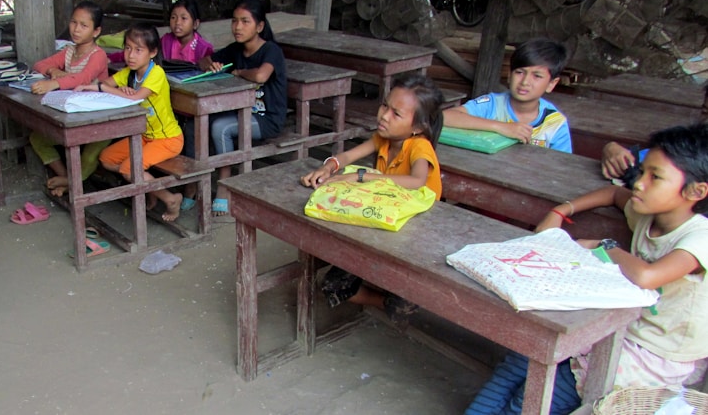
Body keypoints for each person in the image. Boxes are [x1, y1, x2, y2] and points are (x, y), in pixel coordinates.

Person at [465, 122, 708, 415]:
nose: (639, 183)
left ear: (696, 191)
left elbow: (648, 276)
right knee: (520, 359)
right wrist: (560, 211)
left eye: (655, 177)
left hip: (654, 353)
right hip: (617, 324)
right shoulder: (649, 214)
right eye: (642, 171)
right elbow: (612, 194)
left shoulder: (700, 236)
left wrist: (603, 245)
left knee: (539, 393)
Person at [300, 74, 445, 325]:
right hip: (384, 223)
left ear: (417, 127)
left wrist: (361, 176)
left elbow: (417, 181)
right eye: (384, 106)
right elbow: (348, 156)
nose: (384, 116)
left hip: (416, 232)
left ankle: (400, 297)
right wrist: (329, 168)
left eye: (396, 114)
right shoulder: (383, 138)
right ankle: (387, 301)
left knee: (396, 283)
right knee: (334, 285)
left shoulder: (419, 145)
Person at [77, 24, 185, 222]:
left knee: (128, 169)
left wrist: (106, 89)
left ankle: (170, 198)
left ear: (152, 52)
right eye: (127, 48)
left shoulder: (156, 74)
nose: (131, 55)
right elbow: (108, 83)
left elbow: (134, 97)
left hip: (168, 139)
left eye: (138, 50)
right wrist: (96, 87)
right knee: (106, 159)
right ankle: (148, 187)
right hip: (145, 136)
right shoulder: (129, 73)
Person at [190, 0, 287, 217]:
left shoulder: (271, 50)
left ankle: (225, 186)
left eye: (245, 21)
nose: (238, 27)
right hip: (241, 114)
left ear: (259, 26)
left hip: (266, 119)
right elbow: (203, 60)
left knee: (220, 128)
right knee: (205, 122)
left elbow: (261, 75)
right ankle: (194, 184)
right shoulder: (236, 49)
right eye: (234, 21)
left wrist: (238, 72)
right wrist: (212, 64)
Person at [28, 0, 111, 197]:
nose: (76, 29)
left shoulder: (97, 55)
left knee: (90, 154)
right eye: (74, 23)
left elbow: (82, 78)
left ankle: (69, 183)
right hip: (75, 117)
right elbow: (39, 64)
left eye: (84, 25)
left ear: (96, 31)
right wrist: (52, 70)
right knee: (37, 139)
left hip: (102, 118)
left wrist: (54, 83)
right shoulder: (69, 51)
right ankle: (68, 179)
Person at [443, 37, 572, 153]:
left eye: (537, 76)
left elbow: (562, 167)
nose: (525, 82)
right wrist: (501, 127)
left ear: (552, 84)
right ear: (510, 76)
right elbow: (445, 117)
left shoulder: (555, 124)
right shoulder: (492, 104)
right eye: (520, 72)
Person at [108, 0, 213, 65]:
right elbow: (142, 51)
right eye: (173, 17)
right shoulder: (166, 41)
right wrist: (111, 58)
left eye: (183, 18)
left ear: (195, 24)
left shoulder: (204, 48)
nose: (177, 23)